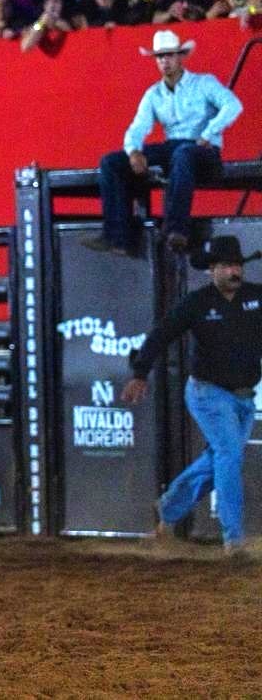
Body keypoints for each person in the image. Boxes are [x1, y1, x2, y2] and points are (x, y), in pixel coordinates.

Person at [121, 236, 262, 556]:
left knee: (218, 459)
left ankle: (168, 509)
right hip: (208, 393)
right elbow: (162, 334)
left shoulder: (256, 297)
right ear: (211, 270)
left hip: (243, 397)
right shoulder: (197, 303)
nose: (234, 271)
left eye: (237, 265)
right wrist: (140, 372)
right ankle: (233, 540)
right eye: (226, 266)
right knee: (228, 455)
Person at [83, 31, 243, 256]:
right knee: (111, 162)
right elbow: (138, 127)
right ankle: (118, 236)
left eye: (169, 55)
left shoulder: (203, 83)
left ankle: (177, 229)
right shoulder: (154, 94)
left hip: (204, 151)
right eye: (160, 57)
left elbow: (233, 105)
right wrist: (134, 150)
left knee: (183, 153)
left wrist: (208, 133)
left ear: (180, 57)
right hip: (175, 149)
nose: (164, 61)